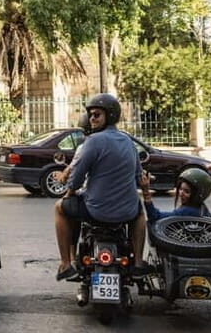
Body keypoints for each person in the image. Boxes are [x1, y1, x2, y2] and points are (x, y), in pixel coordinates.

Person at [53, 93, 147, 286]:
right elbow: (139, 177)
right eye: (91, 115)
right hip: (127, 212)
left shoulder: (93, 141)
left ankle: (65, 264)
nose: (92, 119)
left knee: (59, 208)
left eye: (97, 115)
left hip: (95, 212)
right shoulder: (129, 142)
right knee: (140, 213)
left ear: (110, 116)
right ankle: (138, 262)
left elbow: (76, 177)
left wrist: (69, 193)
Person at [142, 167, 211, 222]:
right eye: (180, 189)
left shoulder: (187, 211)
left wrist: (146, 192)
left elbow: (155, 216)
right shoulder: (202, 208)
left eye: (187, 191)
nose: (181, 193)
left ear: (196, 195)